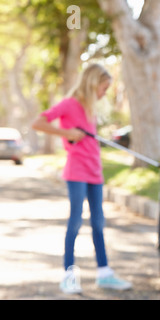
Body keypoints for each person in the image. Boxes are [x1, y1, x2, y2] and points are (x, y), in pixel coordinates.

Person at [32, 63, 132, 294]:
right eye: (104, 87)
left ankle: (104, 273)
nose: (105, 92)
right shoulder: (70, 104)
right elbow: (38, 122)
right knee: (75, 221)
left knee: (98, 223)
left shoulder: (90, 107)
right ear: (92, 83)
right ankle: (68, 274)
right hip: (76, 171)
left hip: (94, 171)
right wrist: (67, 133)